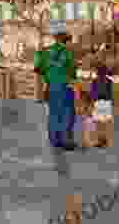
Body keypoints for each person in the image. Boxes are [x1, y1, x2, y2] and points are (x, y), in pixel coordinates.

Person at [34, 20, 78, 151]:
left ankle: (55, 140)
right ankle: (65, 140)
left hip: (51, 87)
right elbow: (72, 72)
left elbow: (38, 69)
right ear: (65, 38)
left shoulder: (45, 52)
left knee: (53, 113)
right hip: (64, 87)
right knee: (67, 113)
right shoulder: (68, 52)